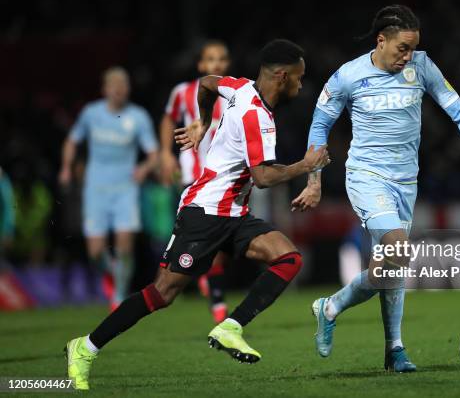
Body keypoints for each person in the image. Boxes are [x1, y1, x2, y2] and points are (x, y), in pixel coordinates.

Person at [65, 39, 330, 390]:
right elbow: (263, 178)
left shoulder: (238, 86)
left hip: (234, 212)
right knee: (162, 294)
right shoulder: (259, 118)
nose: (301, 84)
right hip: (203, 212)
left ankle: (230, 326)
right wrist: (305, 165)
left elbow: (207, 83)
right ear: (281, 76)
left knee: (288, 259)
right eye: (298, 77)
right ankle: (84, 347)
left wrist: (203, 123)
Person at [292, 5, 460, 372]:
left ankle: (388, 345)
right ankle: (337, 311)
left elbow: (457, 110)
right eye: (402, 48)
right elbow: (319, 128)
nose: (408, 56)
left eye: (413, 48)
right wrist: (313, 180)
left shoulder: (422, 67)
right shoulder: (348, 76)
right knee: (397, 247)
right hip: (366, 176)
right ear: (381, 41)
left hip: (406, 181)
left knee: (392, 267)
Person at [59, 67, 159, 310]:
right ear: (105, 89)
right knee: (95, 251)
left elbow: (153, 154)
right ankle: (112, 271)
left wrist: (144, 168)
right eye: (113, 85)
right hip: (96, 188)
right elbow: (72, 140)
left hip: (126, 189)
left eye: (123, 84)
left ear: (128, 89)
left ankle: (118, 295)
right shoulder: (91, 114)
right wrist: (65, 167)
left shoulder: (138, 117)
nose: (118, 89)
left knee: (125, 244)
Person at [159, 40, 232, 323]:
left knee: (218, 243)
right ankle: (217, 303)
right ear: (201, 65)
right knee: (205, 236)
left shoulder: (233, 94)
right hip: (194, 175)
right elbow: (168, 120)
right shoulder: (183, 92)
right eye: (210, 59)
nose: (216, 64)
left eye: (221, 59)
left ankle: (205, 278)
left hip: (224, 177)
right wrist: (166, 155)